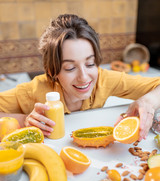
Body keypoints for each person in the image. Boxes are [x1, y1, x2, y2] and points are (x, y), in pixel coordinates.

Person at [0, 14, 160, 141]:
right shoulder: (32, 91)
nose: (84, 77)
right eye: (70, 68)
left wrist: (149, 101)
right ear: (52, 71)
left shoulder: (104, 80)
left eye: (90, 64)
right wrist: (24, 120)